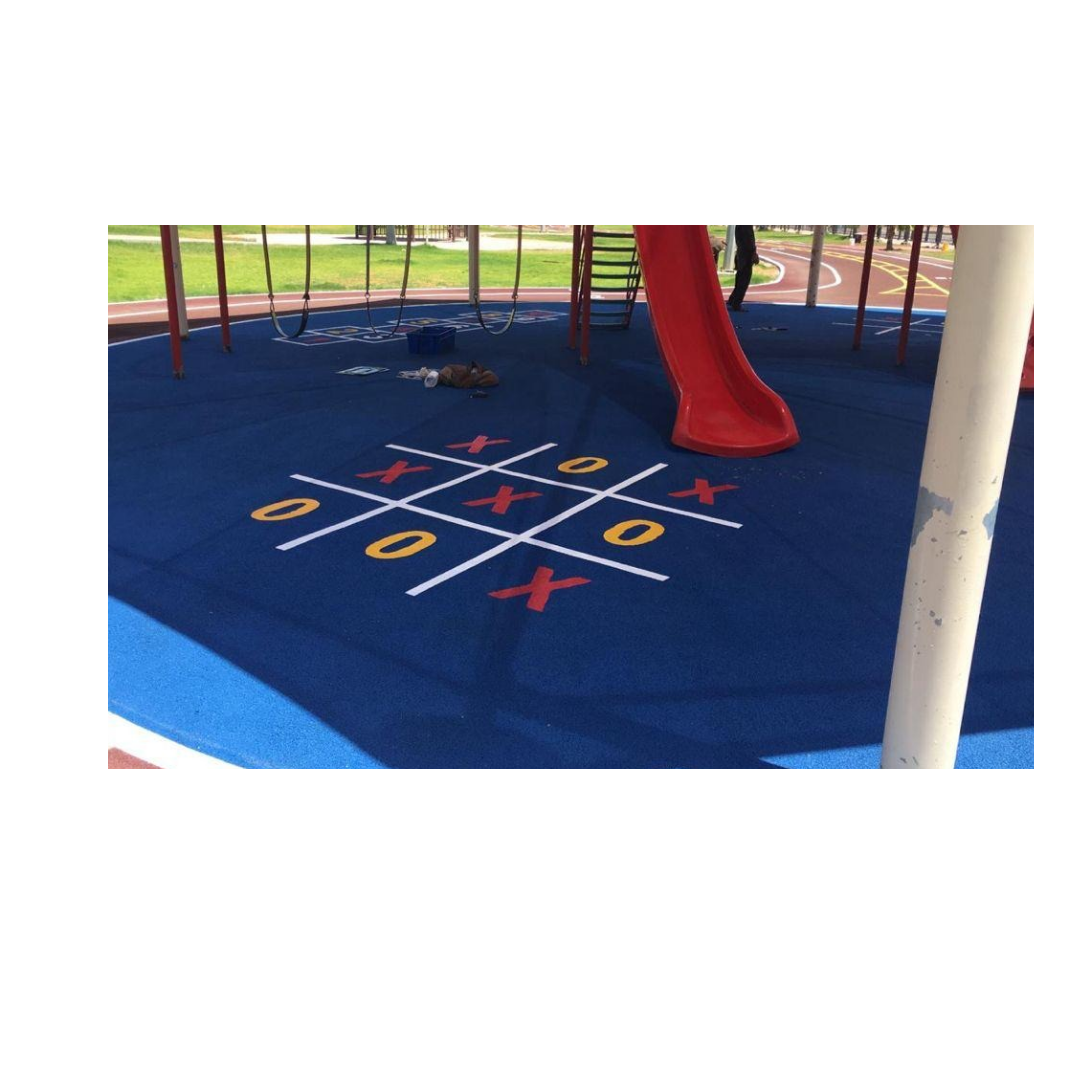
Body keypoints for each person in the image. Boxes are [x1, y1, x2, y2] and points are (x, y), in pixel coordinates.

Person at [727, 225, 759, 312]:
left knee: (740, 278)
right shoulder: (746, 226)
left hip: (740, 254)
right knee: (744, 280)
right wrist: (754, 253)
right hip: (746, 255)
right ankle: (736, 303)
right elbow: (749, 241)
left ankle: (732, 299)